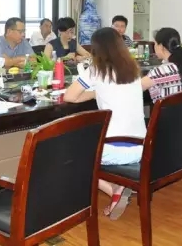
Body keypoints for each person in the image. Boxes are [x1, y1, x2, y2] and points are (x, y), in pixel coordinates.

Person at [63, 27, 145, 220]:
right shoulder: (133, 69)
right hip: (142, 147)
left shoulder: (96, 70)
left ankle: (113, 190)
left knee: (71, 155)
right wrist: (98, 92)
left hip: (115, 150)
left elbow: (69, 96)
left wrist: (95, 92)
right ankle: (120, 186)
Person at [141, 28, 182, 101]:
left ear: (161, 46)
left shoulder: (159, 72)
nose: (154, 47)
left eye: (155, 43)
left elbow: (135, 88)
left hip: (168, 108)